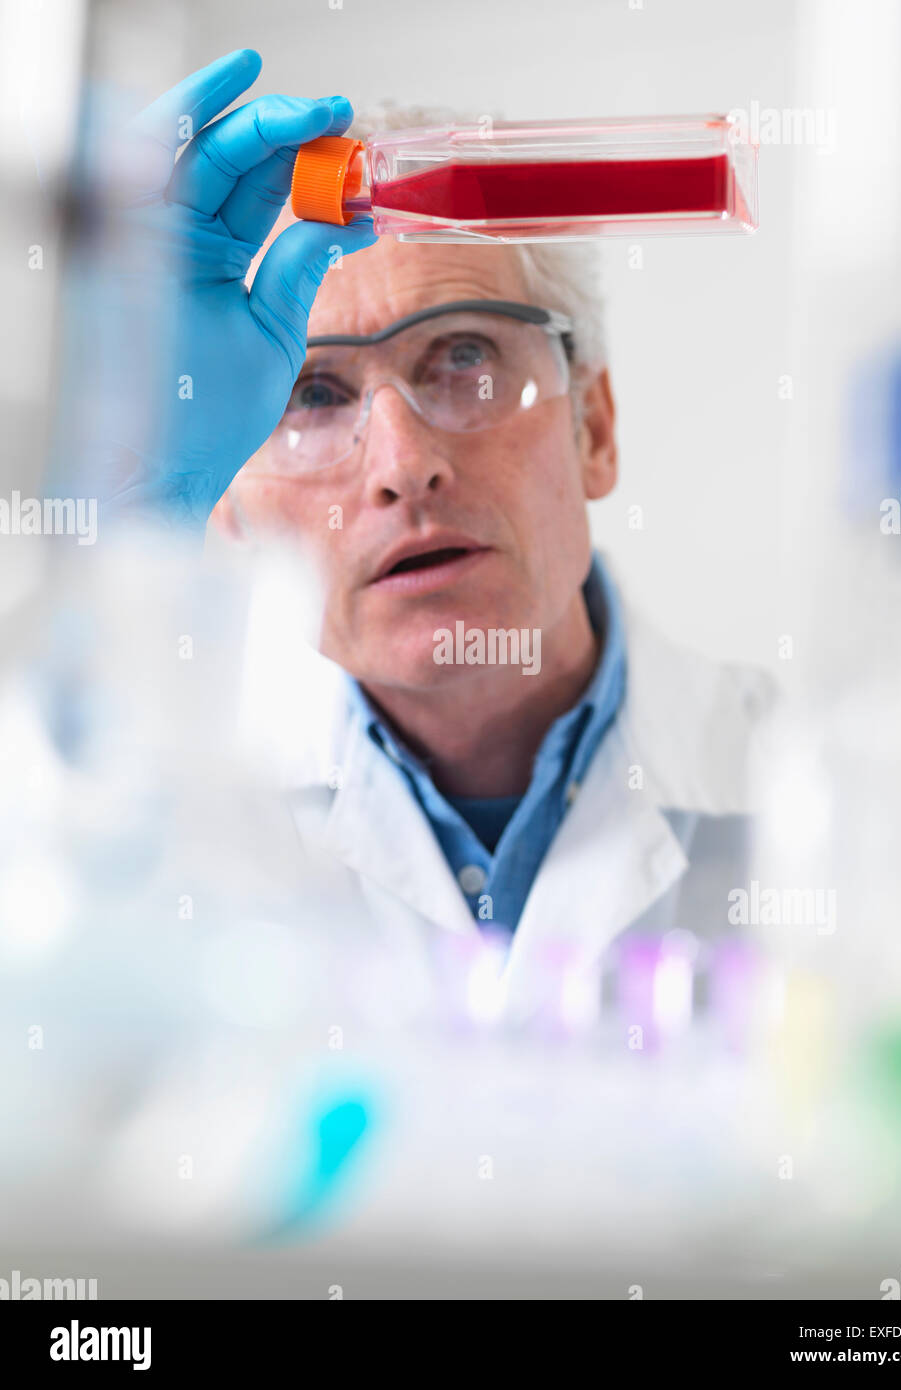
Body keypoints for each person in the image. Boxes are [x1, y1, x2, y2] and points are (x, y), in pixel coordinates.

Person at [97, 49, 775, 1023]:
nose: (402, 464)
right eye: (313, 395)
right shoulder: (148, 819)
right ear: (229, 510)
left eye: (466, 357)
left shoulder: (820, 795)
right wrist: (127, 511)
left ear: (595, 427)